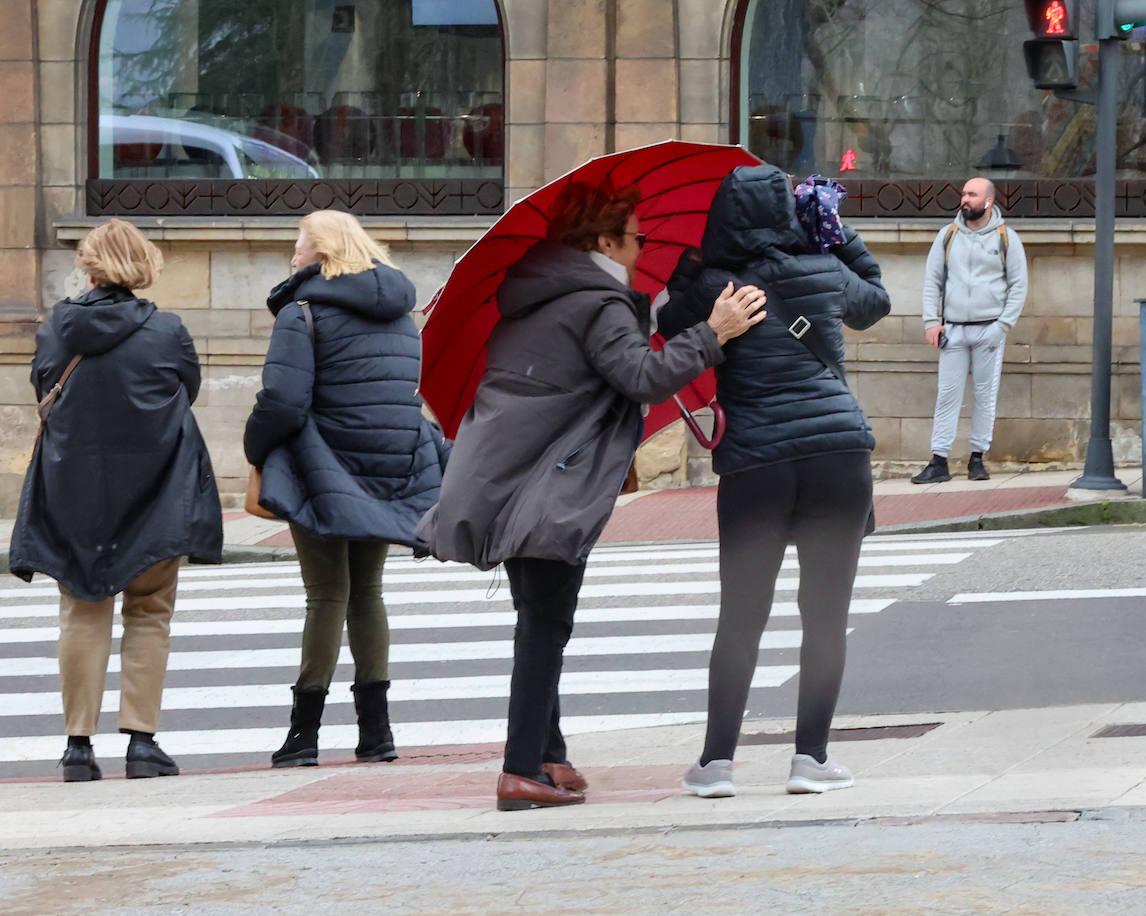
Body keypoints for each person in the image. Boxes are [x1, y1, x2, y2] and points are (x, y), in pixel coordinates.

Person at [416, 182, 768, 810]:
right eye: (637, 237)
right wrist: (714, 332)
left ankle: (549, 754)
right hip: (549, 480)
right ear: (604, 242)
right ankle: (520, 769)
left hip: (509, 473)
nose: (642, 248)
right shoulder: (596, 302)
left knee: (540, 618)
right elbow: (643, 376)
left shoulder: (540, 296)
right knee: (547, 623)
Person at [656, 165, 891, 798]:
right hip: (838, 457)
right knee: (824, 615)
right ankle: (810, 759)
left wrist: (695, 260)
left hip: (757, 464)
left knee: (742, 616)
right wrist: (836, 233)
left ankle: (716, 765)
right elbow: (876, 300)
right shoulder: (822, 269)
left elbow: (666, 320)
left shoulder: (712, 286)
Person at [9, 218, 222, 782]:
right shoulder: (168, 330)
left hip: (73, 491)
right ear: (144, 264)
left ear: (90, 263)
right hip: (154, 490)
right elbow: (188, 392)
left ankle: (78, 747)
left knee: (81, 609)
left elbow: (42, 389)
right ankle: (142, 743)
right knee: (150, 612)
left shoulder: (56, 328)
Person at [245, 209, 446, 769]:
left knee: (326, 594)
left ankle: (303, 734)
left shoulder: (302, 313)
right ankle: (377, 733)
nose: (293, 256)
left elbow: (283, 401)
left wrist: (253, 446)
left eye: (300, 244)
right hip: (387, 466)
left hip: (322, 467)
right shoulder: (401, 317)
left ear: (325, 252)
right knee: (368, 592)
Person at [911, 177, 1027, 484]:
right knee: (947, 396)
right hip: (953, 331)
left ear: (988, 201)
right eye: (964, 193)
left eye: (972, 194)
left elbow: (1019, 286)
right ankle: (939, 461)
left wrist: (1003, 325)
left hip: (990, 330)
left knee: (985, 396)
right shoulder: (947, 236)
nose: (965, 199)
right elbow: (932, 282)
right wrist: (931, 322)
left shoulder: (1007, 238)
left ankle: (978, 459)